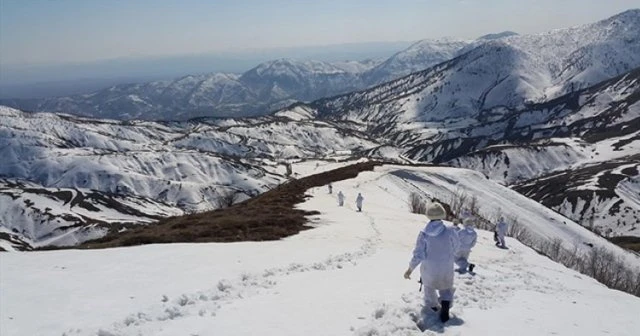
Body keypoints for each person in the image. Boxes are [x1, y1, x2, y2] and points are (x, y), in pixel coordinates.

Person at [404, 202, 459, 323]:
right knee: (446, 288)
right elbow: (457, 245)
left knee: (429, 288)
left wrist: (410, 269)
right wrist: (448, 254)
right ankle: (445, 304)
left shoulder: (424, 233)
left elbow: (418, 254)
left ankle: (433, 307)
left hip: (429, 268)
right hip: (446, 266)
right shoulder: (450, 230)